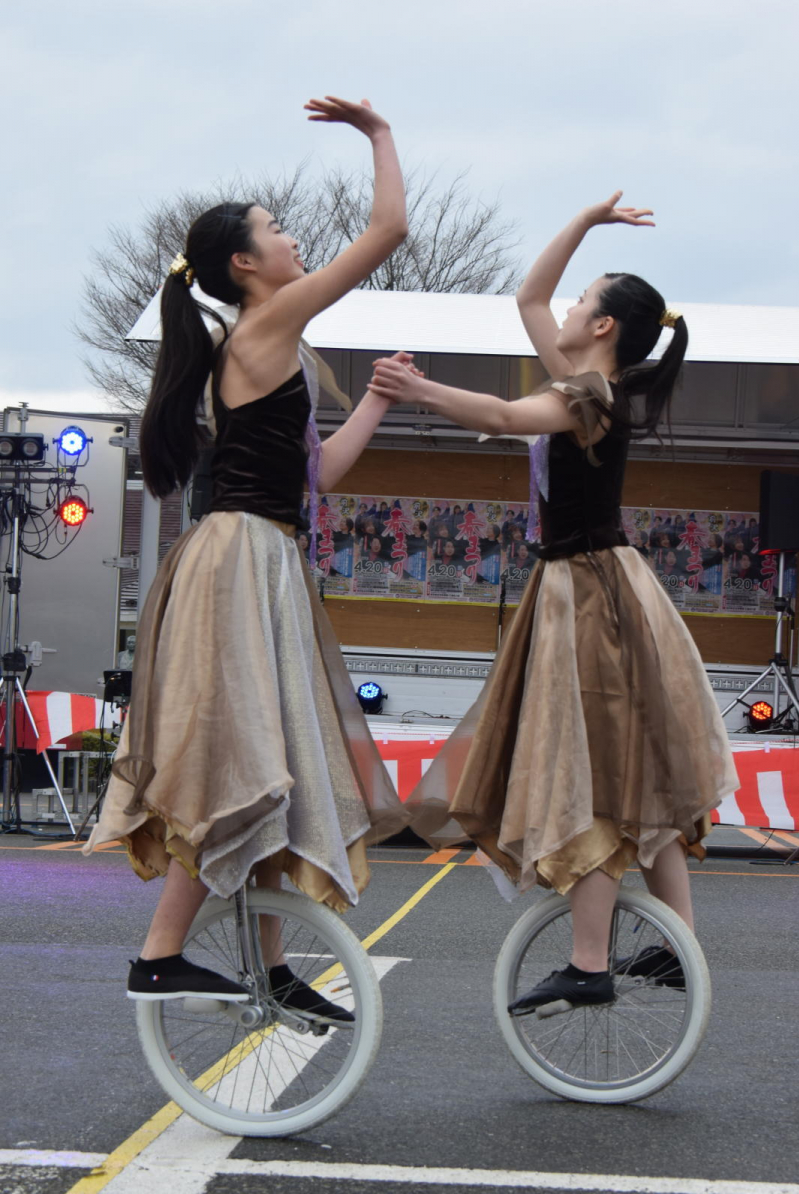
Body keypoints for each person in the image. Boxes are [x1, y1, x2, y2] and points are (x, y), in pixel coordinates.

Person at [369, 192, 738, 1017]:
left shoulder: (590, 397)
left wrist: (419, 389)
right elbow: (529, 299)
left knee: (596, 768)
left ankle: (589, 961)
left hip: (588, 591)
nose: (568, 307)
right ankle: (677, 940)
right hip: (588, 583)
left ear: (604, 327)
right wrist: (584, 223)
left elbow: (503, 415)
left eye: (585, 300)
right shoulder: (584, 381)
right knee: (636, 764)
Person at [84, 96, 410, 1018]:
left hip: (263, 555)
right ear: (244, 266)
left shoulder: (283, 348)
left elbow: (319, 479)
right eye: (276, 230)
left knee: (284, 756)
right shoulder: (263, 328)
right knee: (250, 754)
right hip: (239, 560)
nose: (294, 238)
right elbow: (388, 228)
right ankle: (159, 954)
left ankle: (268, 965)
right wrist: (378, 134)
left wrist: (378, 403)